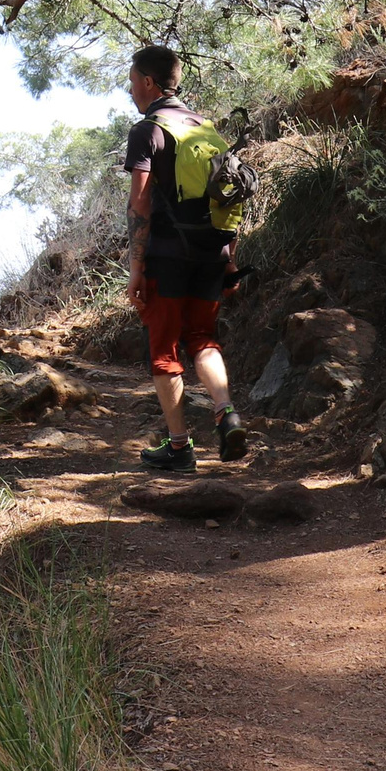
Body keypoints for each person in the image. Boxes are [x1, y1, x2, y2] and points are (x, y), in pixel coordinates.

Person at [122, 44, 249, 473]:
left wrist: (137, 267)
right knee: (203, 339)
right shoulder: (207, 131)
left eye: (133, 80)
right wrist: (229, 260)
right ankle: (226, 412)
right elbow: (226, 202)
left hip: (167, 256)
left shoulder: (148, 131)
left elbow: (140, 205)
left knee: (164, 351)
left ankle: (179, 447)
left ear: (149, 82)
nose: (131, 88)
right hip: (212, 253)